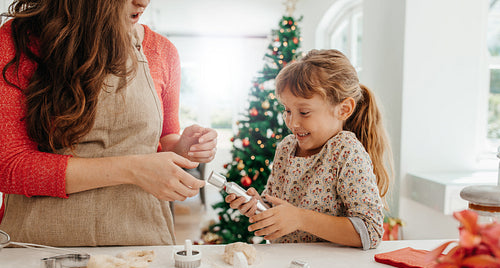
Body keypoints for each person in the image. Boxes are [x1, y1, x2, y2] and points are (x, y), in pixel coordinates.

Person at [0, 0, 217, 246]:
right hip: (39, 249)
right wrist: (133, 170)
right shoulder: (19, 40)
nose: (143, 2)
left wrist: (183, 148)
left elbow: (165, 137)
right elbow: (9, 167)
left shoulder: (162, 51)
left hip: (140, 241)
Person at [226, 49, 392, 250]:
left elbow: (370, 231)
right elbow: (278, 206)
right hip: (288, 265)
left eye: (304, 112)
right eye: (287, 110)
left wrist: (300, 219)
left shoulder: (346, 152)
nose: (292, 122)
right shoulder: (286, 148)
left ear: (344, 109)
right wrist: (258, 206)